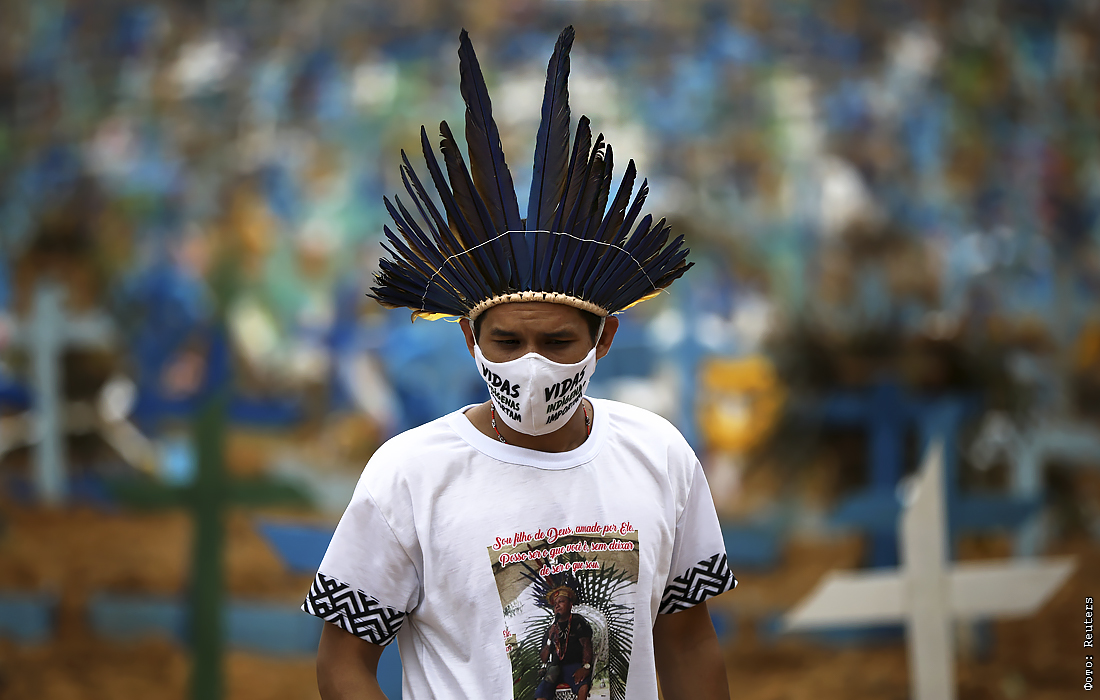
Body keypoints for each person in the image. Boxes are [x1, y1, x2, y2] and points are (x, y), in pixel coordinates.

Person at [303, 26, 736, 700]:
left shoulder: (661, 456)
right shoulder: (409, 476)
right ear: (469, 340)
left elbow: (689, 643)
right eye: (507, 343)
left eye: (557, 343)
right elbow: (342, 661)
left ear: (604, 338)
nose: (531, 367)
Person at [536, 586, 594, 700]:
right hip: (555, 668)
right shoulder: (551, 628)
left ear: (570, 605)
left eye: (561, 601)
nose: (557, 605)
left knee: (582, 687)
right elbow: (543, 659)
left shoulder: (577, 621)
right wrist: (549, 639)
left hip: (574, 666)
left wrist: (586, 667)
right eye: (555, 604)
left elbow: (586, 645)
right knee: (542, 693)